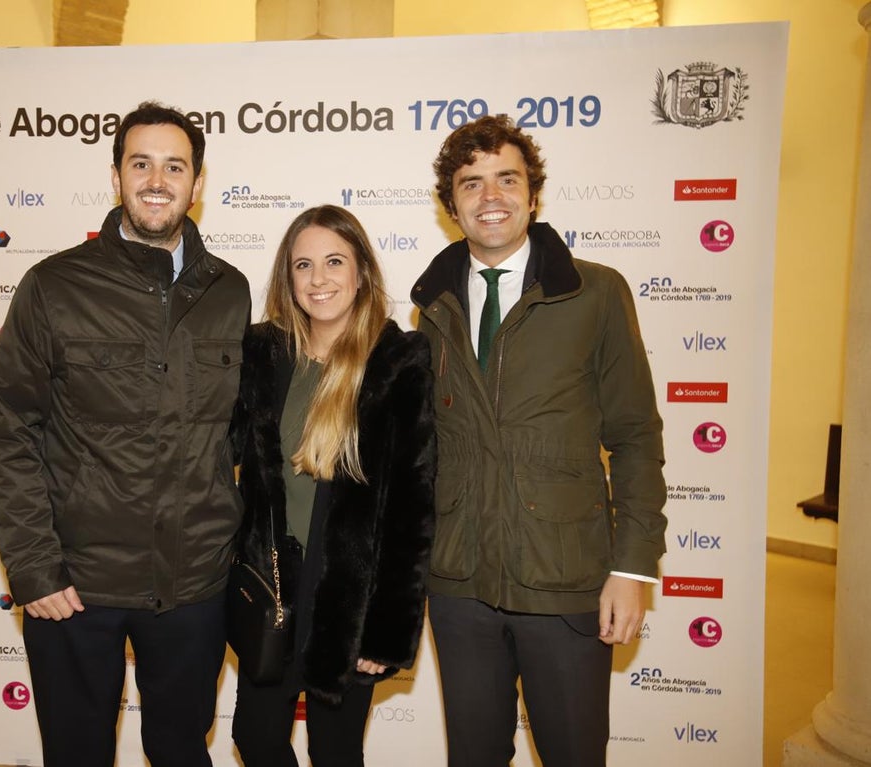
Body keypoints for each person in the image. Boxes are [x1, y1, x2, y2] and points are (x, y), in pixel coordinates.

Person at [0, 100, 250, 767]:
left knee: (182, 749)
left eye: (174, 165)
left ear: (197, 182)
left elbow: (242, 435)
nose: (156, 180)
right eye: (141, 163)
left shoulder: (232, 291)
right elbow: (10, 428)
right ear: (116, 175)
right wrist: (35, 567)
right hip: (76, 583)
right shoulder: (53, 285)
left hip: (193, 581)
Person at [411, 114, 667, 767]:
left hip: (565, 579)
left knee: (574, 754)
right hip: (461, 582)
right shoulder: (433, 306)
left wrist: (632, 568)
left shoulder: (595, 292)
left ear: (533, 194)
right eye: (471, 184)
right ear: (451, 205)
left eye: (507, 179)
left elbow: (636, 435)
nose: (490, 197)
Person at [230, 205, 436, 767]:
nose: (318, 280)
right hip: (273, 592)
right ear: (287, 278)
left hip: (349, 602)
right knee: (256, 738)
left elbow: (412, 508)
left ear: (362, 271)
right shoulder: (262, 352)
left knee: (336, 753)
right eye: (303, 265)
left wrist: (386, 633)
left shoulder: (398, 360)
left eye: (334, 261)